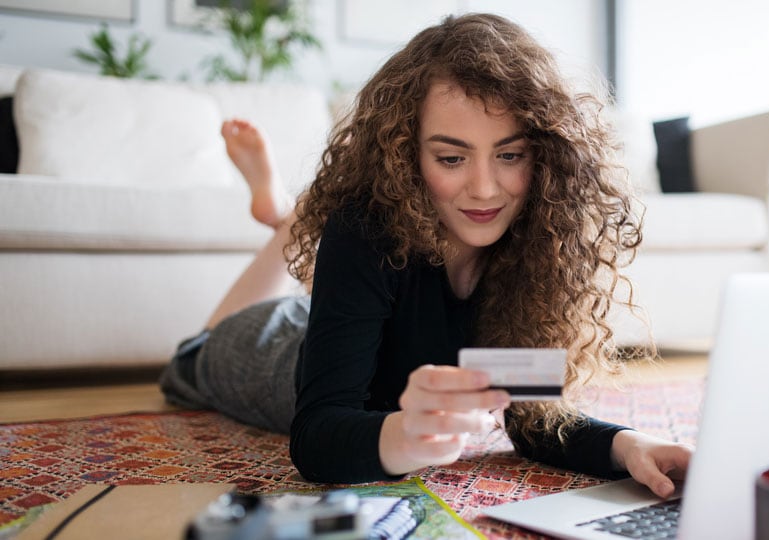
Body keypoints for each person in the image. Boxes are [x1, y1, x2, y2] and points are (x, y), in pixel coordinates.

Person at [160, 13, 692, 498]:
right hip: (268, 354)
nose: (485, 189)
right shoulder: (364, 225)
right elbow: (317, 435)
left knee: (323, 306)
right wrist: (403, 435)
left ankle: (292, 219)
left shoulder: (538, 235)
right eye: (451, 157)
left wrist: (628, 445)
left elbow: (533, 419)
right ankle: (290, 218)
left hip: (334, 323)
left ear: (545, 155)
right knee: (196, 349)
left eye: (509, 155)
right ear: (406, 155)